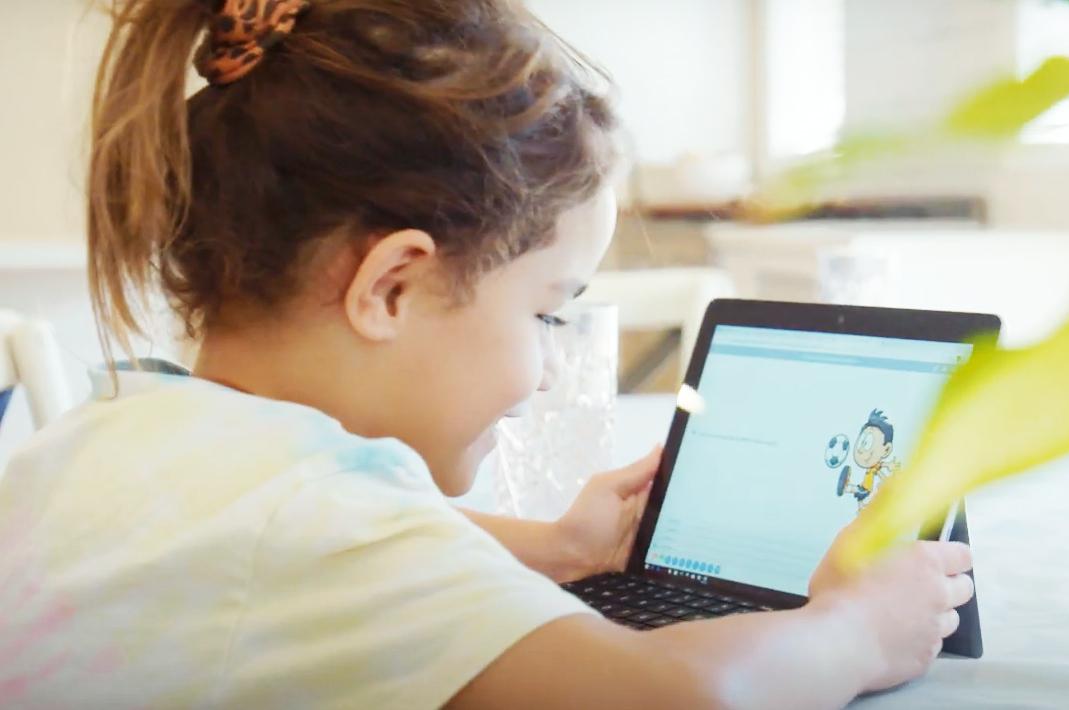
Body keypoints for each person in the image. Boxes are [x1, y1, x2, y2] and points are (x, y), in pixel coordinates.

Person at [0, 0, 974, 707]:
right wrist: (852, 628)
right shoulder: (316, 521)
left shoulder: (119, 431)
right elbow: (673, 695)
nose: (547, 367)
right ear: (391, 287)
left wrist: (559, 545)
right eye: (548, 313)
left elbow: (313, 544)